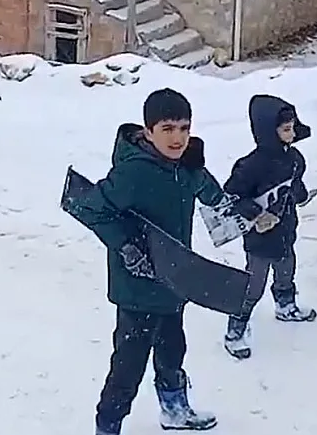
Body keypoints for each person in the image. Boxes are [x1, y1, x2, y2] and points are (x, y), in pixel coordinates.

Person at [72, 88, 235, 434]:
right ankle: (108, 425)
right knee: (129, 364)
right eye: (168, 129)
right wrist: (126, 247)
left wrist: (243, 206)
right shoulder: (133, 173)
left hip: (174, 281)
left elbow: (214, 196)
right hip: (137, 289)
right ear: (148, 132)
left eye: (184, 128)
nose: (178, 137)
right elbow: (92, 209)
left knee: (173, 351)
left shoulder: (186, 165)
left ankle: (174, 409)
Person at [221, 95, 317, 359]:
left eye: (293, 127)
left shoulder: (295, 158)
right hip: (259, 239)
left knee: (286, 270)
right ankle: (236, 328)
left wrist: (300, 195)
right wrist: (256, 214)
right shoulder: (251, 166)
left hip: (286, 230)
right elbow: (231, 195)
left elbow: (294, 184)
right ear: (267, 131)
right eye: (285, 129)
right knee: (254, 284)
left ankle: (285, 306)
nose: (292, 133)